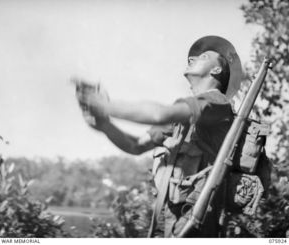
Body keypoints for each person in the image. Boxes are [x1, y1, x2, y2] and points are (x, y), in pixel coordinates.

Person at [76, 35, 242, 237]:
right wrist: (104, 124)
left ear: (216, 70)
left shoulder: (216, 102)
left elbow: (158, 114)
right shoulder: (182, 114)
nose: (192, 58)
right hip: (167, 226)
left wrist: (103, 106)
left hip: (196, 227)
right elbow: (135, 145)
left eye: (203, 56)